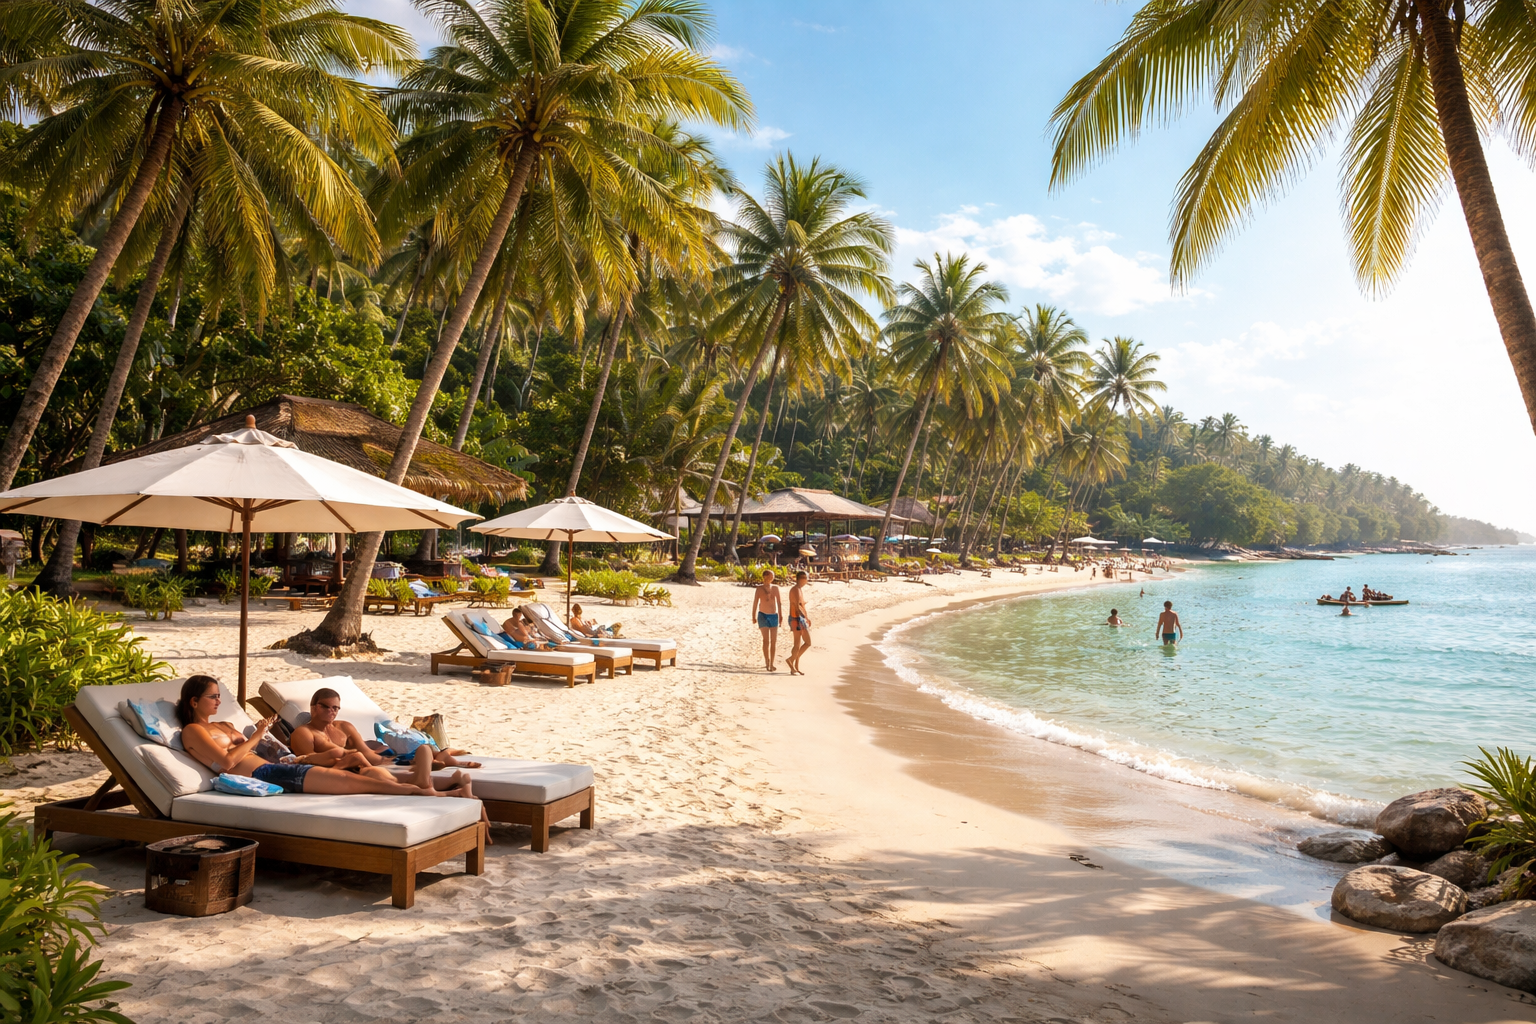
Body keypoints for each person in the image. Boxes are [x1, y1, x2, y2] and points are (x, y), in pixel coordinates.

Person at [176, 676, 468, 798]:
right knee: (355, 782)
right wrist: (260, 733)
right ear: (193, 701)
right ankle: (436, 793)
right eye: (212, 697)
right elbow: (227, 762)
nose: (217, 701)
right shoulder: (193, 730)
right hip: (266, 774)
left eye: (218, 696)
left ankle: (432, 787)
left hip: (279, 767)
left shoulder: (226, 723)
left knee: (360, 778)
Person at [290, 687, 481, 772]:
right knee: (424, 755)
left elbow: (365, 752)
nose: (332, 711)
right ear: (314, 707)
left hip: (367, 760)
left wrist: (388, 763)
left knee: (426, 751)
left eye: (336, 708)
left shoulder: (344, 727)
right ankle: (440, 759)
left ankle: (443, 758)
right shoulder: (304, 733)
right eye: (326, 707)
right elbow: (307, 764)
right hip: (347, 766)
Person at [752, 568, 782, 671]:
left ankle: (772, 663)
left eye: (773, 576)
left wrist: (781, 616)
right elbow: (755, 602)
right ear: (765, 576)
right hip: (763, 616)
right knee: (766, 641)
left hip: (774, 615)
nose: (772, 578)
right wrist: (753, 616)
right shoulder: (759, 588)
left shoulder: (775, 588)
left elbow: (779, 603)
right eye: (770, 576)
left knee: (773, 641)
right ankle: (767, 661)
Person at [787, 570, 812, 675]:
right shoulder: (796, 590)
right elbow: (797, 606)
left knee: (801, 643)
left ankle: (795, 666)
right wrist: (805, 618)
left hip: (797, 619)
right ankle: (791, 660)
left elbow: (800, 605)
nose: (807, 580)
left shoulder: (798, 589)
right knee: (804, 643)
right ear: (802, 578)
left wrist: (806, 617)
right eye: (806, 578)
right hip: (796, 619)